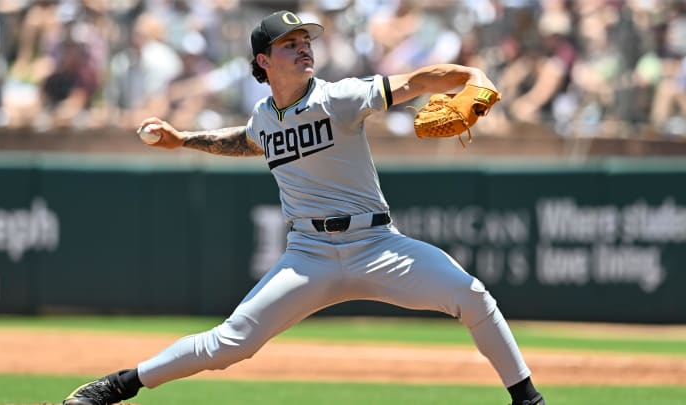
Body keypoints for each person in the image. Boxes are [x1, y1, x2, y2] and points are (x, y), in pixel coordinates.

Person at [62, 10, 545, 405]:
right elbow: (249, 141)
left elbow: (418, 80)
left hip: (376, 244)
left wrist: (469, 76)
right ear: (264, 60)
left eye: (305, 40)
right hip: (309, 254)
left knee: (473, 295)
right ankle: (118, 385)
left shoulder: (340, 97)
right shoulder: (262, 116)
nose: (304, 47)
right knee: (231, 342)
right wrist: (183, 139)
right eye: (290, 43)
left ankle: (528, 399)